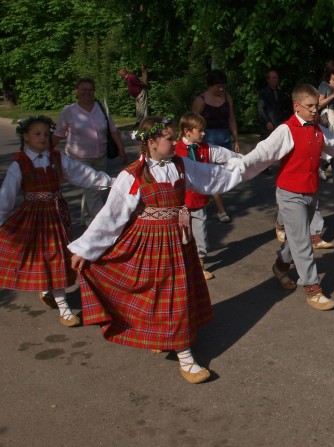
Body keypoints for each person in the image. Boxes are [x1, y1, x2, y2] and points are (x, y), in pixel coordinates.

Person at [68, 116, 247, 384]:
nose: (176, 141)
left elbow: (212, 178)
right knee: (160, 291)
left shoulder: (181, 165)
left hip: (179, 240)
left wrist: (248, 165)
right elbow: (111, 216)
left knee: (175, 291)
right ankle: (184, 354)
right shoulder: (133, 175)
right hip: (150, 243)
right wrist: (85, 249)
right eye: (170, 138)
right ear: (151, 142)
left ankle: (173, 342)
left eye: (175, 136)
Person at [239, 84, 334, 311]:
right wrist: (238, 167)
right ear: (296, 106)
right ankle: (313, 290)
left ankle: (281, 266)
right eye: (310, 106)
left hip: (310, 192)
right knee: (303, 241)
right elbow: (263, 152)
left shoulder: (318, 129)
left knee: (296, 238)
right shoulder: (286, 130)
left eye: (317, 105)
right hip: (289, 193)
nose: (315, 110)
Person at [0, 116, 112, 327]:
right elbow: (6, 196)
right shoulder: (20, 163)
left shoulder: (56, 158)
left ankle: (51, 293)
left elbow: (83, 174)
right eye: (37, 134)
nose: (43, 138)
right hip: (33, 219)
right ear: (26, 137)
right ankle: (63, 306)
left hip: (56, 216)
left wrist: (114, 183)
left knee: (56, 257)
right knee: (45, 258)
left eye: (46, 134)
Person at [175, 112, 241, 280]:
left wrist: (249, 161)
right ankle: (180, 265)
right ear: (187, 132)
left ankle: (199, 265)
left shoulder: (207, 148)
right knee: (180, 236)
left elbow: (229, 156)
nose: (204, 133)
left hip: (198, 201)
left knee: (200, 235)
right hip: (179, 204)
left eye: (204, 130)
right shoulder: (174, 150)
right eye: (200, 130)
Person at [53, 77, 126, 226]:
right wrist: (44, 151)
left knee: (94, 189)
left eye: (90, 89)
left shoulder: (101, 108)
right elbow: (58, 134)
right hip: (80, 159)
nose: (87, 92)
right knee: (93, 188)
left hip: (100, 156)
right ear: (77, 91)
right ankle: (102, 223)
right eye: (83, 89)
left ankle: (86, 219)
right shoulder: (69, 111)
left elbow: (113, 130)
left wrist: (121, 149)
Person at [192, 69, 241, 223]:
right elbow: (193, 124)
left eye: (222, 86)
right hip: (208, 139)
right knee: (212, 173)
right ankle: (221, 210)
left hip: (224, 137)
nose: (221, 89)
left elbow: (231, 118)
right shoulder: (200, 100)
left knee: (224, 172)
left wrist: (236, 139)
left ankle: (208, 195)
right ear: (211, 85)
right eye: (218, 86)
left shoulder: (227, 98)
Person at [258, 69, 290, 141]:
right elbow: (261, 108)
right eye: (273, 78)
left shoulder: (281, 93)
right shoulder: (264, 93)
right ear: (268, 80)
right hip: (268, 127)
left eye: (276, 78)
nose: (275, 80)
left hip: (279, 125)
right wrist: (267, 122)